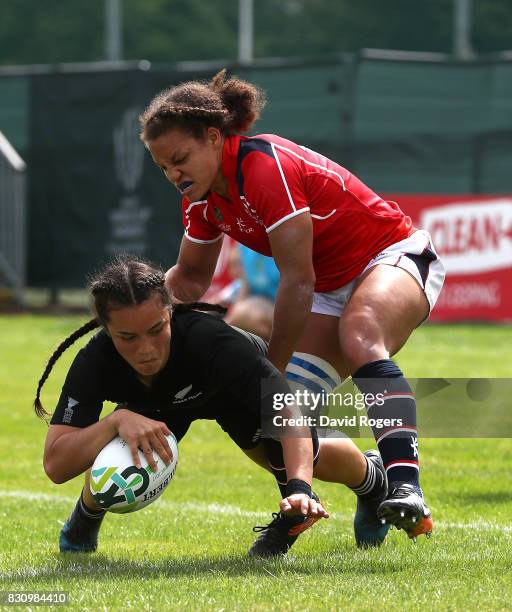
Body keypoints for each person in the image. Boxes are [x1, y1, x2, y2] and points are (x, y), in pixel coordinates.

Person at [138, 69, 446, 541]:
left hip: (392, 255)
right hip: (327, 286)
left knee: (360, 334)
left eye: (180, 159)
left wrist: (272, 369)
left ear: (216, 138)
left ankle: (407, 487)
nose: (174, 174)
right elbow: (191, 279)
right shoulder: (201, 197)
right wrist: (138, 317)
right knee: (274, 423)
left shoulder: (263, 167)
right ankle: (371, 481)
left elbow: (298, 282)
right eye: (163, 168)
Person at [34, 255, 390, 557]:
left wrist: (299, 488)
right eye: (127, 337)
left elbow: (288, 412)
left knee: (295, 459)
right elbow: (56, 463)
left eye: (157, 329)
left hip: (229, 392)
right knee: (120, 443)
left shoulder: (215, 343)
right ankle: (85, 518)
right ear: (106, 331)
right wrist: (116, 422)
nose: (146, 349)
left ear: (170, 314)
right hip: (157, 407)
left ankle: (373, 481)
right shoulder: (95, 360)